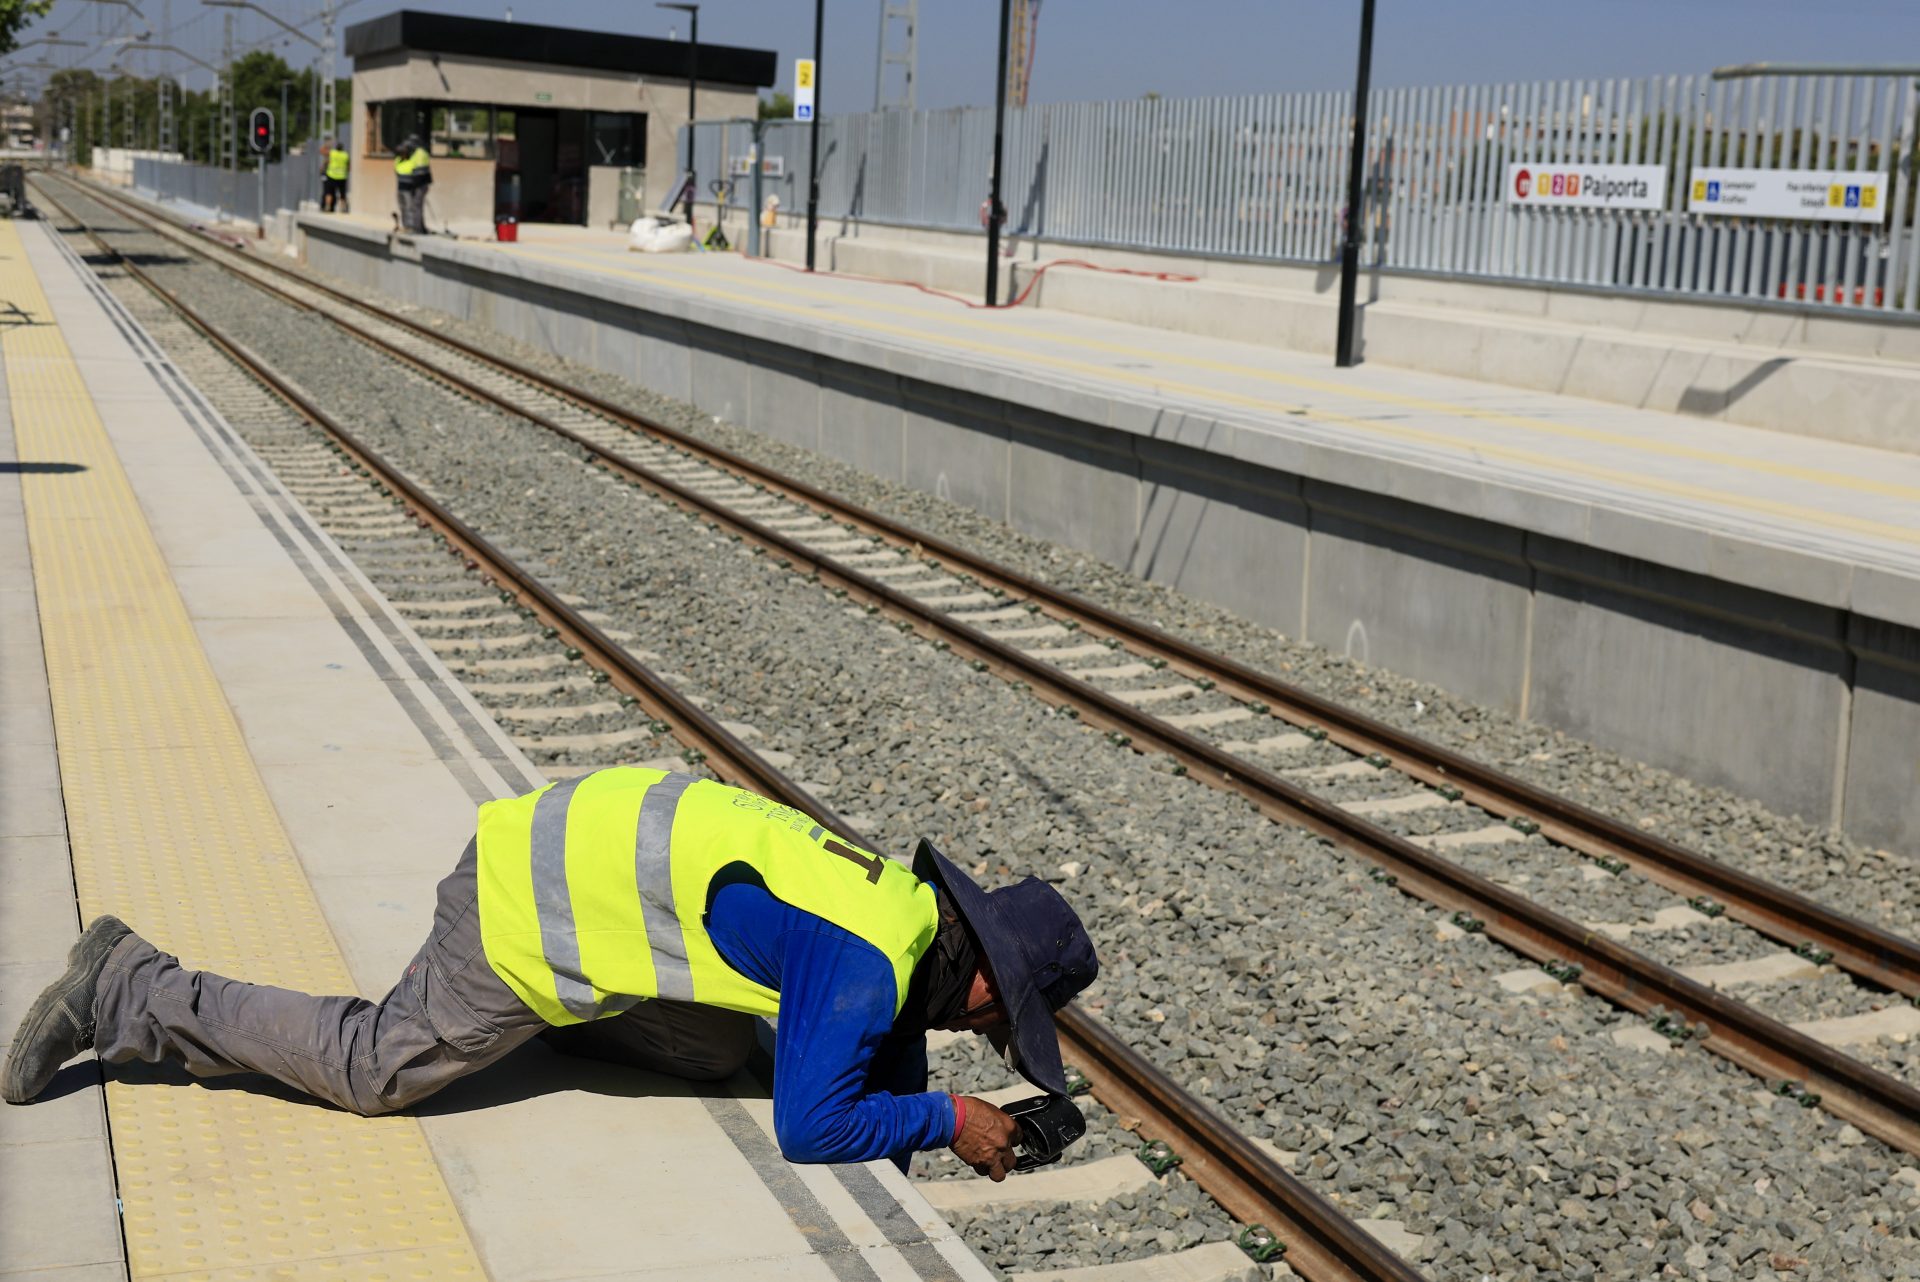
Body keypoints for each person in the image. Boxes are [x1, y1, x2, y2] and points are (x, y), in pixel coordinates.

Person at [3, 767, 1099, 1180]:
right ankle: (129, 988)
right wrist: (949, 1117)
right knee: (373, 1068)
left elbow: (884, 1043)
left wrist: (930, 1120)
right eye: (999, 1025)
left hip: (587, 845)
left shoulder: (901, 914)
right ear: (985, 984)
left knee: (719, 1050)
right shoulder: (862, 970)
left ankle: (559, 1017)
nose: (986, 1037)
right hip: (530, 900)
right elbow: (811, 1130)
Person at [393, 133, 431, 233]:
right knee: (413, 206)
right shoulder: (411, 156)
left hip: (419, 184)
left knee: (415, 206)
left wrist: (415, 186)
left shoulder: (418, 154)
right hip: (416, 184)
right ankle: (417, 227)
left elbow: (418, 172)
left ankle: (416, 228)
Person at [320, 140, 349, 213]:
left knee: (329, 192)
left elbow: (322, 151)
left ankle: (328, 206)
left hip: (331, 175)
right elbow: (349, 167)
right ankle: (343, 208)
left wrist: (327, 144)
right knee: (342, 193)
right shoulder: (345, 155)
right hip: (342, 177)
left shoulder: (332, 153)